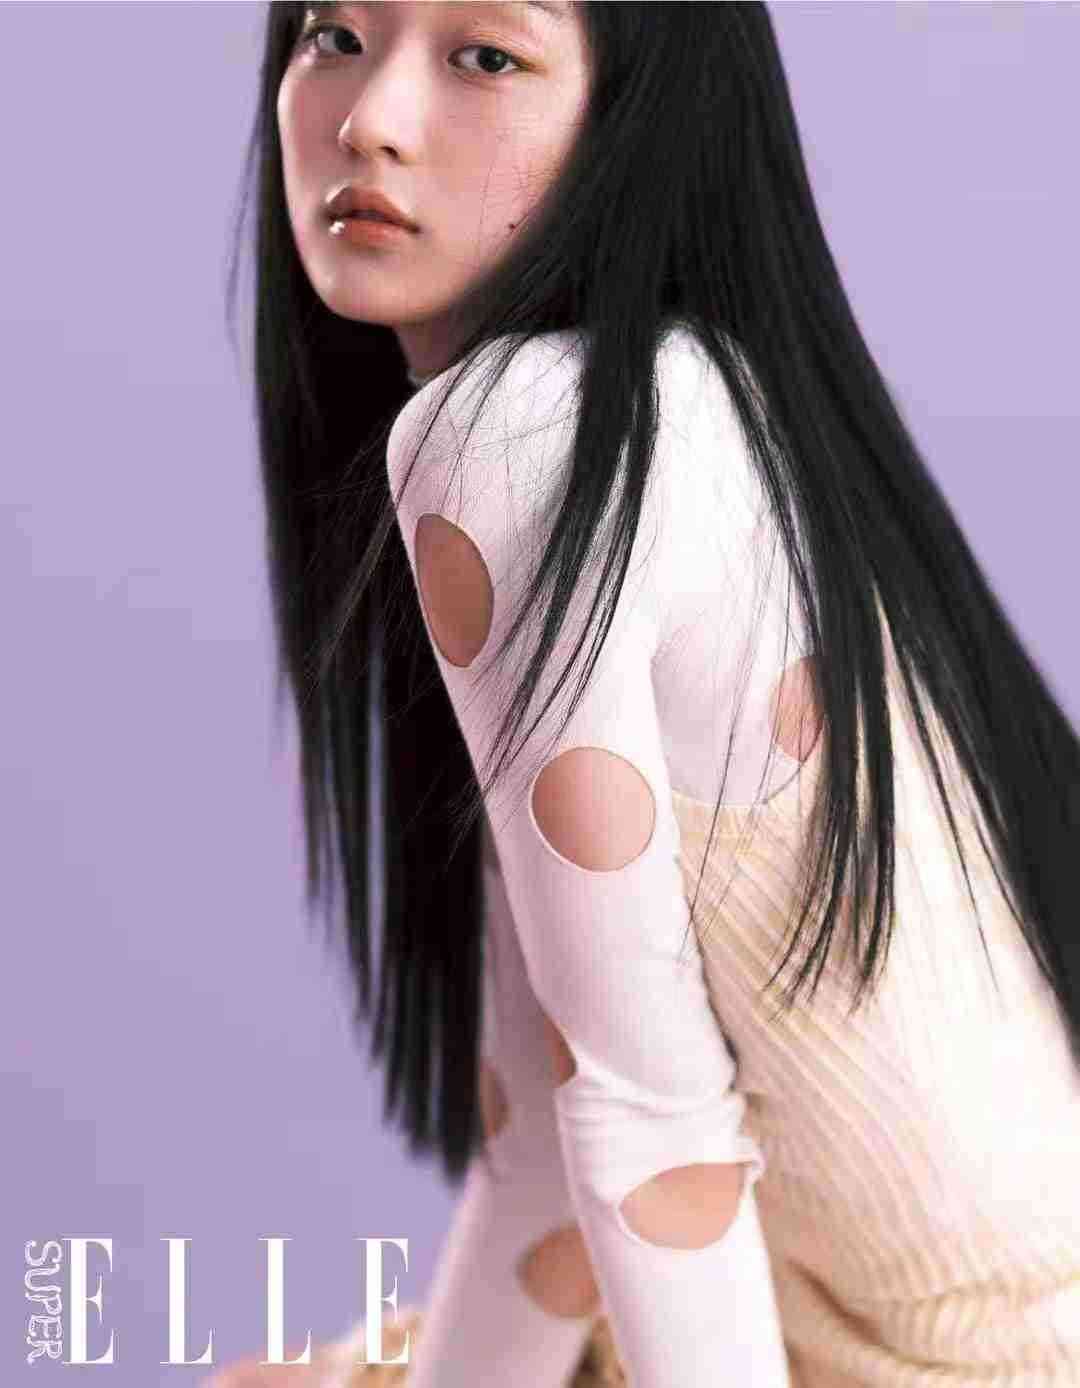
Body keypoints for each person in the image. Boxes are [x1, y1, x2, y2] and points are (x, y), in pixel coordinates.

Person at [210, 2, 1080, 1384]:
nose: (370, 120)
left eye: (485, 56)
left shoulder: (527, 437)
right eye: (332, 34)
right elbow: (553, 1151)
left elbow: (646, 1123)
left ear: (636, 116)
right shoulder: (691, 395)